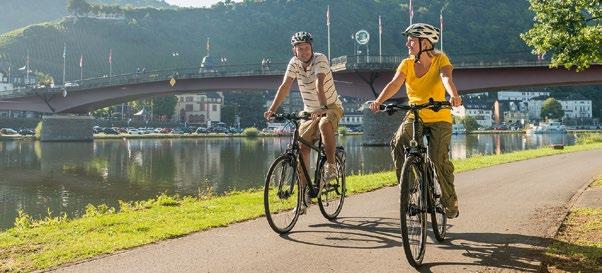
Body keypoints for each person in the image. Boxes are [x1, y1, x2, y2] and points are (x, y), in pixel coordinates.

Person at [369, 23, 462, 218]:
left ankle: (449, 202)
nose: (407, 44)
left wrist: (453, 95)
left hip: (439, 116)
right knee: (399, 142)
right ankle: (409, 189)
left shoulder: (440, 59)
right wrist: (379, 100)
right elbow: (394, 84)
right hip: (415, 113)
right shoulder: (406, 64)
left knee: (438, 159)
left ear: (425, 43)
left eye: (411, 40)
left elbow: (446, 78)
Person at [264, 31, 344, 212]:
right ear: (294, 51)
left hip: (330, 105)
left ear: (311, 48)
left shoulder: (320, 58)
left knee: (324, 124)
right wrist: (273, 109)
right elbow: (285, 86)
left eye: (307, 48)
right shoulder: (294, 63)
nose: (304, 51)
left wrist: (323, 108)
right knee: (302, 148)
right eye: (300, 49)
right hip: (309, 111)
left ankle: (331, 165)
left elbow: (319, 85)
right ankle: (304, 197)